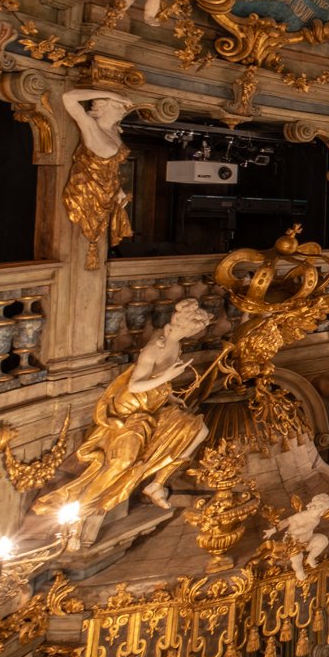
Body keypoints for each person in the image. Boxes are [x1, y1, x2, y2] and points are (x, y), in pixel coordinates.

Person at [32, 299, 211, 519]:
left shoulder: (177, 343)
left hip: (153, 404)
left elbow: (158, 382)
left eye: (199, 330)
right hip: (131, 412)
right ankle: (81, 506)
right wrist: (167, 376)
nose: (197, 333)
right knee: (121, 463)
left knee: (199, 430)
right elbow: (135, 385)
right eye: (196, 329)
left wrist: (171, 396)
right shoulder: (156, 347)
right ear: (183, 325)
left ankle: (157, 483)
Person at [61, 87, 137, 268]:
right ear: (103, 105)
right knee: (87, 226)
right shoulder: (90, 125)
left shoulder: (114, 132)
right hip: (88, 190)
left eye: (122, 107)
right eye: (117, 106)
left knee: (99, 230)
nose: (122, 110)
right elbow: (68, 97)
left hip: (108, 191)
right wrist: (112, 93)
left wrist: (118, 189)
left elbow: (112, 167)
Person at [265, 493, 329, 580]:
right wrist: (273, 530)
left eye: (320, 507)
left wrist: (291, 532)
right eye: (316, 505)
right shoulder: (302, 515)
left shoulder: (315, 520)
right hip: (294, 543)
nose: (316, 508)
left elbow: (305, 529)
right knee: (297, 557)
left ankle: (311, 558)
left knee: (323, 540)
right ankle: (299, 571)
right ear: (310, 505)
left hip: (307, 541)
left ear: (322, 513)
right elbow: (287, 521)